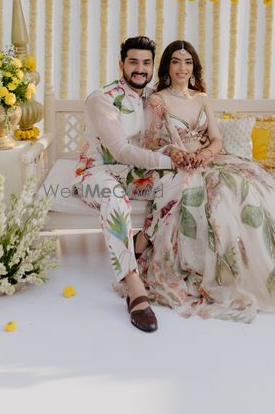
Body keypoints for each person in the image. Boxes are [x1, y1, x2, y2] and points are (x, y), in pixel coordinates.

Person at [134, 40, 275, 322]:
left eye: (187, 62)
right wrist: (176, 153)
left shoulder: (201, 98)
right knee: (217, 194)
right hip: (176, 165)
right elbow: (150, 144)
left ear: (194, 67)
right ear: (167, 66)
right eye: (175, 61)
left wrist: (208, 153)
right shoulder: (157, 100)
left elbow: (216, 137)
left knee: (254, 188)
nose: (182, 68)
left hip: (209, 159)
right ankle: (219, 273)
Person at [74, 36, 176, 333]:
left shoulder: (155, 98)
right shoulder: (102, 98)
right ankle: (133, 286)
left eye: (146, 63)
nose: (140, 69)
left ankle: (140, 242)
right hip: (96, 172)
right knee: (115, 197)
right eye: (134, 62)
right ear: (122, 64)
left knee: (182, 183)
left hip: (135, 173)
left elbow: (168, 139)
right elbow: (119, 151)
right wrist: (170, 161)